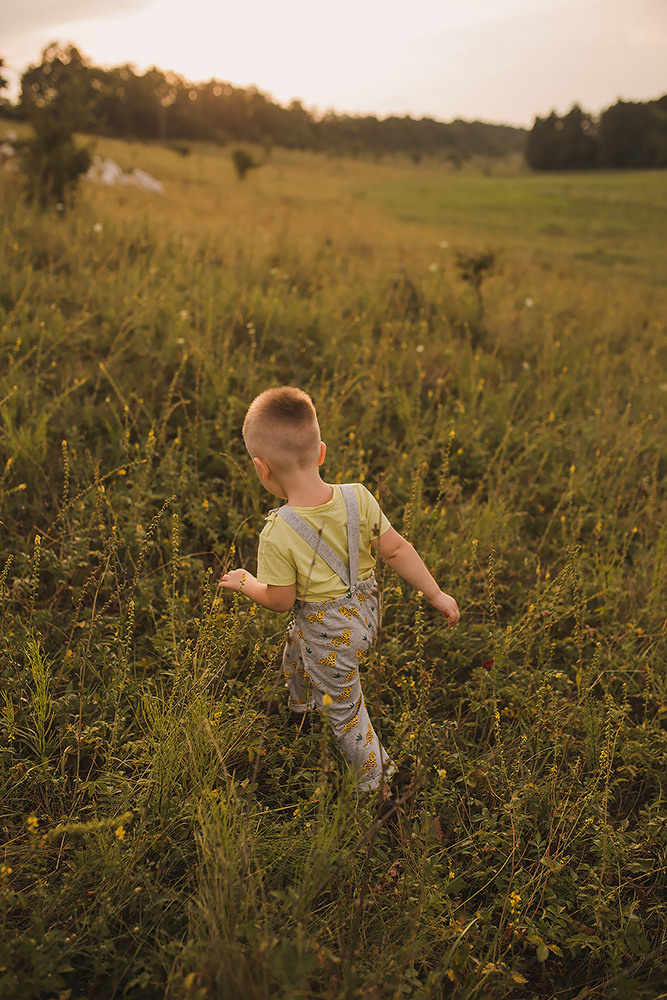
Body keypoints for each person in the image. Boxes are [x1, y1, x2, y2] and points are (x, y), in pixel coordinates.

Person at [218, 386, 460, 792]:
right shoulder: (358, 498)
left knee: (346, 713)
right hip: (365, 617)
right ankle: (299, 703)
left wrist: (246, 583)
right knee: (298, 641)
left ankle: (380, 784)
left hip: (331, 640)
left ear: (262, 468)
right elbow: (397, 549)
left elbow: (281, 601)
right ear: (322, 452)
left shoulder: (277, 532)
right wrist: (436, 593)